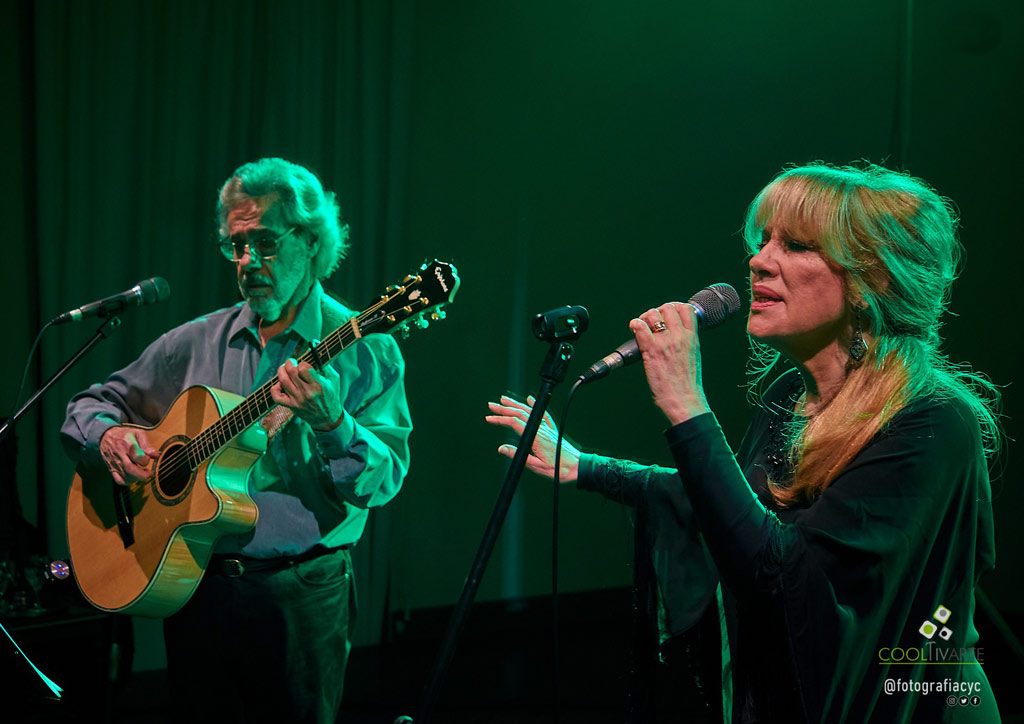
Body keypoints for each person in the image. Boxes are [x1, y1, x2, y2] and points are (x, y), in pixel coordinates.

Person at [487, 162, 1001, 722]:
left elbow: (788, 581)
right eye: (763, 241)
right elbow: (734, 512)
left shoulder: (931, 421)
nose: (758, 261)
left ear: (873, 278)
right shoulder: (788, 396)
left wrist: (686, 405)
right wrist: (588, 467)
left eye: (798, 246)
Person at [61, 157, 412, 723]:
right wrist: (108, 440)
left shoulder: (368, 350)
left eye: (265, 242)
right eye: (236, 245)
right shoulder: (192, 343)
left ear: (311, 241)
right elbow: (88, 406)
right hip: (195, 587)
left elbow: (383, 481)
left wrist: (332, 423)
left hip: (301, 596)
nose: (248, 262)